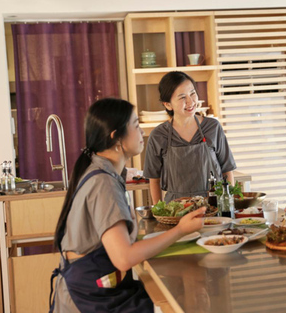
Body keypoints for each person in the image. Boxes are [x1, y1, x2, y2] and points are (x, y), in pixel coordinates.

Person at [49, 98, 205, 312]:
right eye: (136, 126)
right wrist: (180, 230)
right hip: (89, 297)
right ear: (116, 138)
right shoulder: (103, 183)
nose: (142, 133)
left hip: (96, 287)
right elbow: (124, 258)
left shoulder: (104, 174)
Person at [143, 71, 236, 204]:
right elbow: (154, 179)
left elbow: (227, 170)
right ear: (167, 104)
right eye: (182, 97)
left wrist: (229, 205)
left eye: (192, 93)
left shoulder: (213, 127)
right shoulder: (158, 135)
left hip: (214, 206)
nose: (190, 101)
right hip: (176, 210)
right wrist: (160, 211)